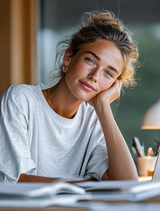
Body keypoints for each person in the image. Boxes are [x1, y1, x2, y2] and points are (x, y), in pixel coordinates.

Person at [0, 10, 139, 183]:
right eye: (90, 60)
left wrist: (103, 106)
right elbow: (16, 180)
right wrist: (85, 184)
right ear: (68, 57)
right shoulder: (21, 99)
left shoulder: (93, 122)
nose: (95, 76)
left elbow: (126, 184)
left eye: (108, 74)